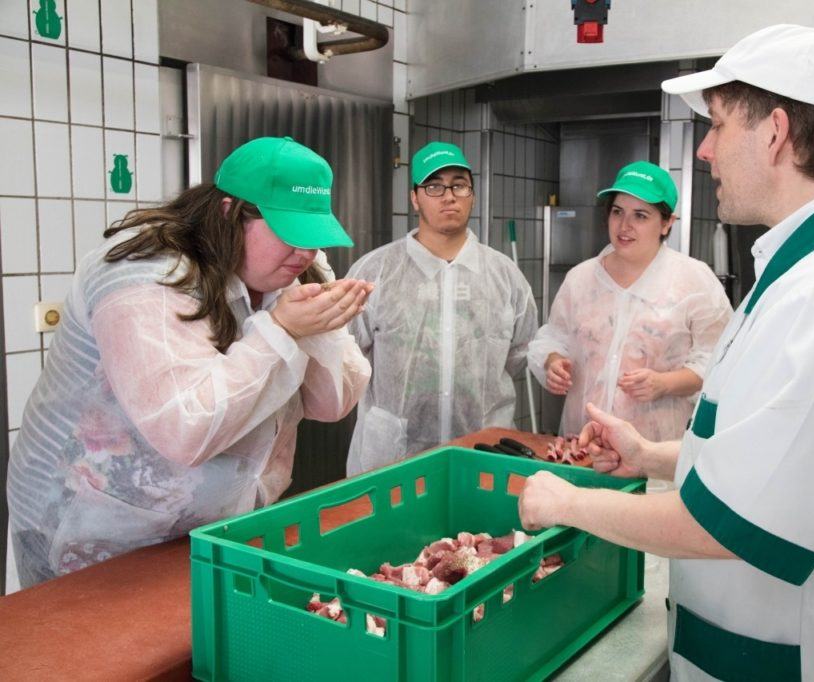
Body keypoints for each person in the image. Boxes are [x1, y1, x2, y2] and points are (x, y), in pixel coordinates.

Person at [518, 24, 814, 682]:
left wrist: (566, 504)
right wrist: (652, 455)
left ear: (775, 132)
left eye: (717, 124)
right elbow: (774, 457)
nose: (706, 150)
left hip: (797, 659)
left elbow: (732, 523)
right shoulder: (812, 271)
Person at [7, 136, 373, 587]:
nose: (305, 252)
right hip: (96, 528)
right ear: (229, 212)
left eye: (313, 236)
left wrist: (320, 325)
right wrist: (280, 330)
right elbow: (185, 428)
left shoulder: (295, 267)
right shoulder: (144, 274)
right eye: (289, 232)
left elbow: (332, 403)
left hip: (217, 522)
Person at [345, 141, 538, 475]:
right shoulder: (375, 272)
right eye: (434, 186)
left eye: (459, 185)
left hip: (483, 452)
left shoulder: (505, 276)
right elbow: (347, 354)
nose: (449, 196)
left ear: (472, 195)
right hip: (393, 458)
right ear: (414, 197)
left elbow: (519, 353)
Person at [527, 161, 731, 442]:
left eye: (640, 215)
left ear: (667, 223)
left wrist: (664, 384)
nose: (624, 226)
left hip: (657, 450)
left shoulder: (694, 281)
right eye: (617, 212)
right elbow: (554, 338)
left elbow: (720, 361)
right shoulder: (580, 279)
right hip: (584, 444)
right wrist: (554, 362)